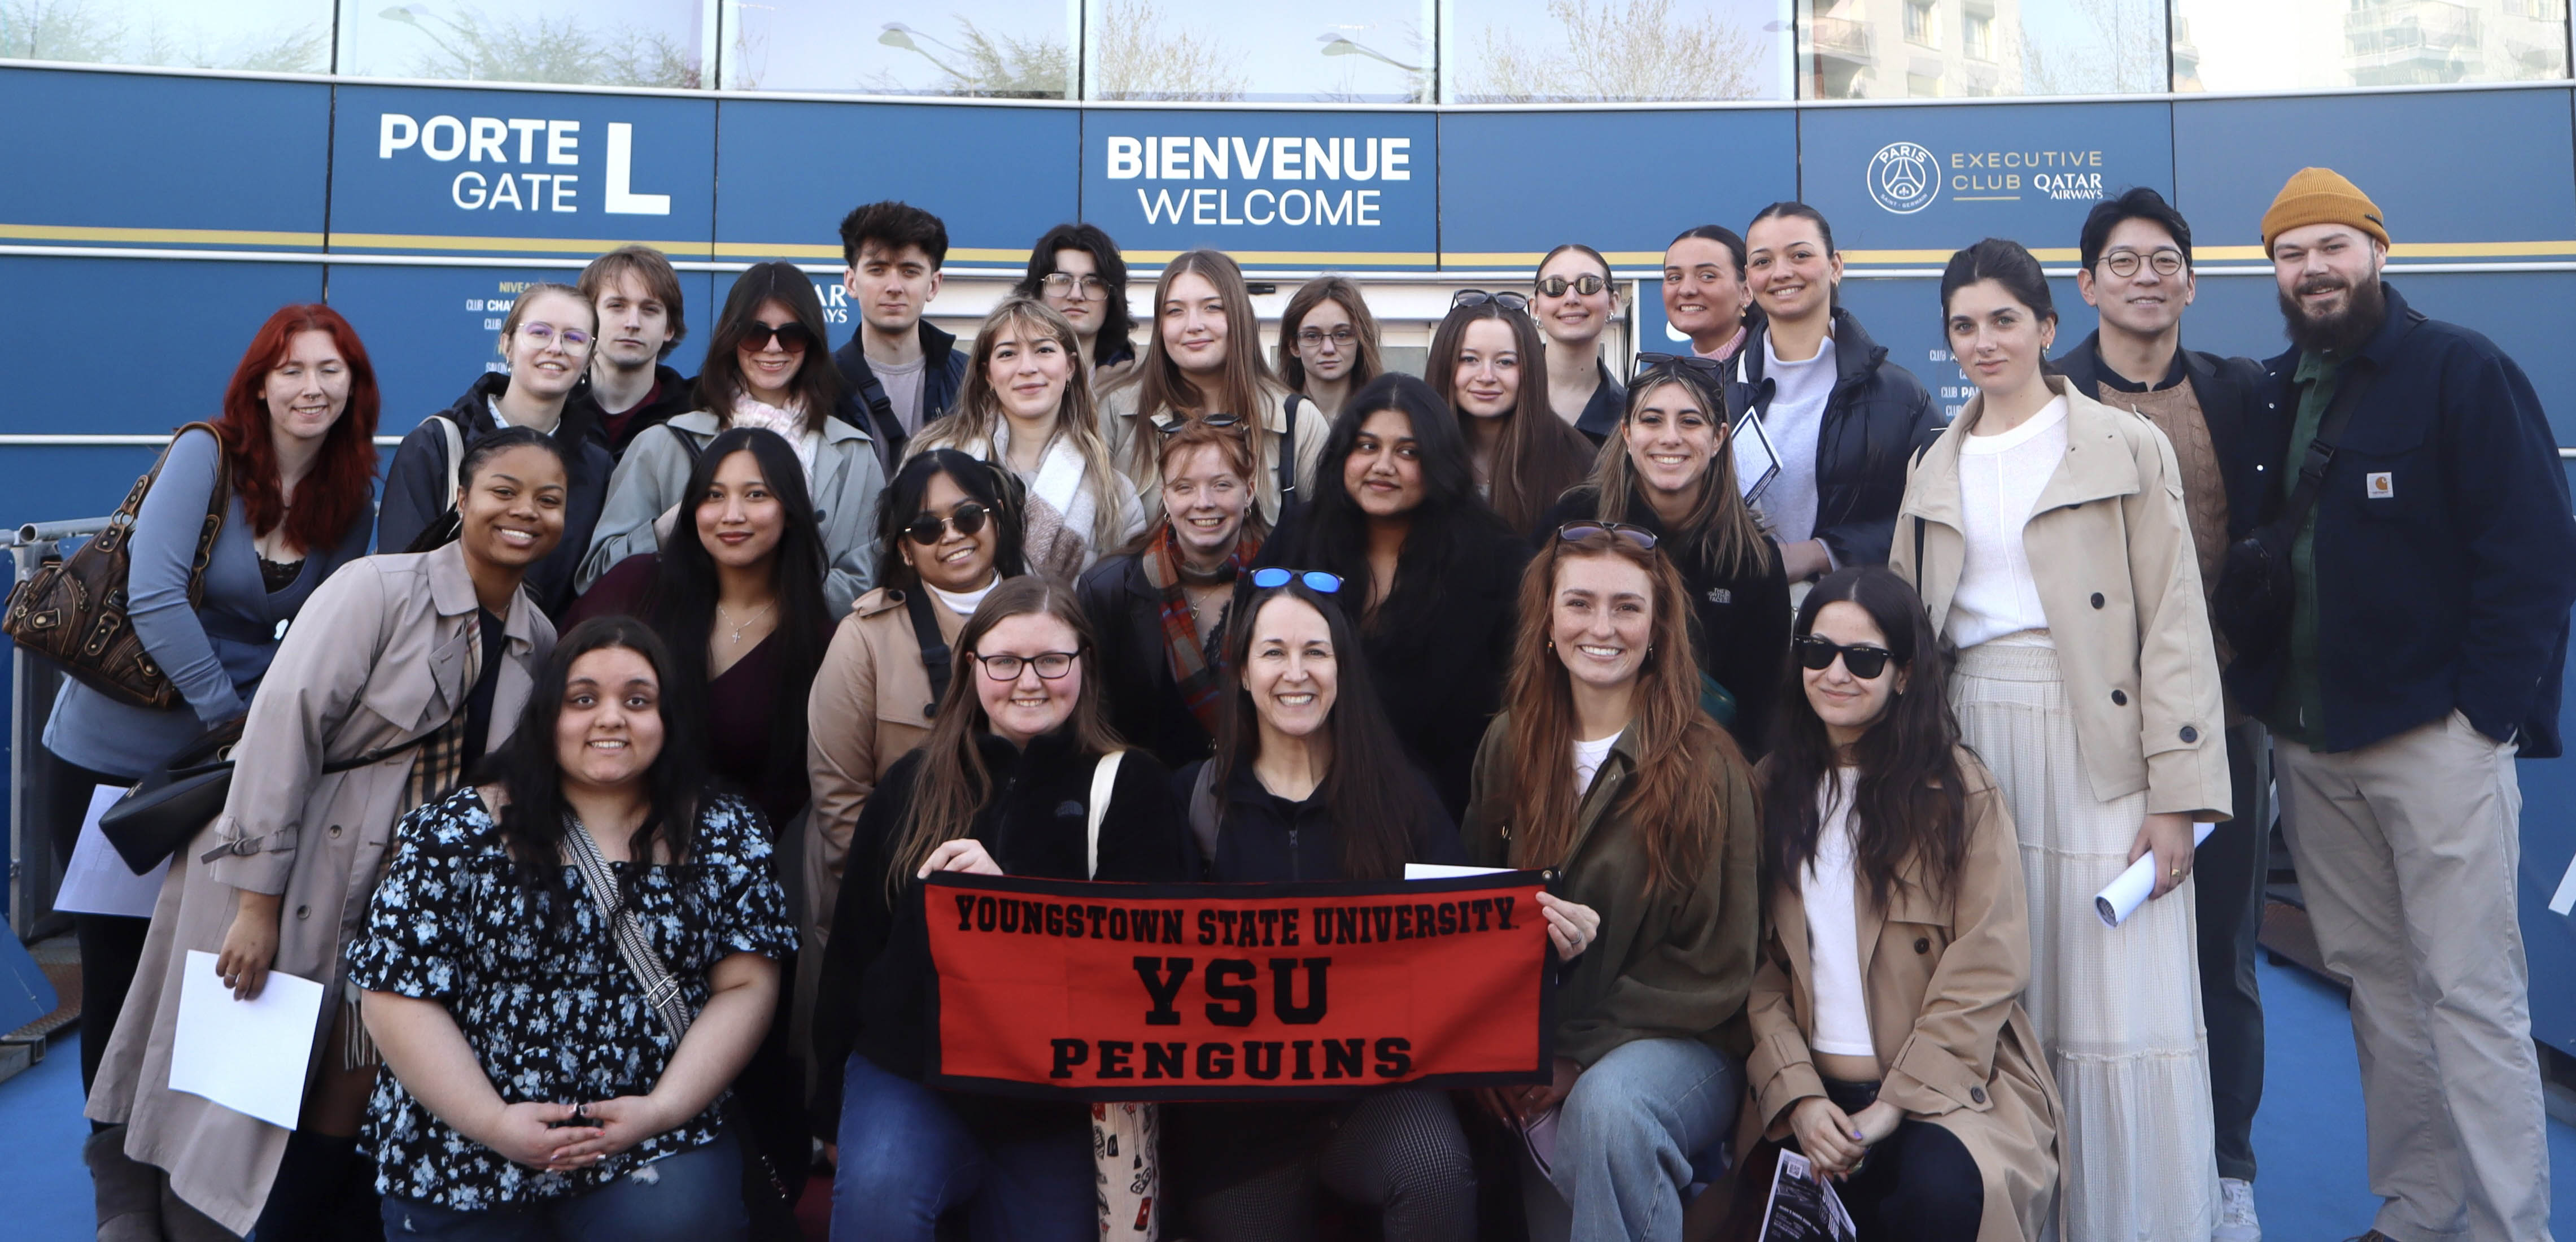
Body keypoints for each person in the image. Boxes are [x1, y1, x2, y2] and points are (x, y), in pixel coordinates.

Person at [88, 428, 568, 1239]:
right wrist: (257, 904)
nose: (524, 511)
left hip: (396, 910)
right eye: (504, 490)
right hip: (289, 871)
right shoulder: (375, 589)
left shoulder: (539, 638)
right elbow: (280, 729)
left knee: (343, 1085)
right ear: (462, 499)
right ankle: (145, 1208)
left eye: (548, 499)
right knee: (227, 1093)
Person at [2241, 168, 2576, 1242]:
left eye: (2332, 247)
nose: (2313, 269)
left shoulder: (2459, 370)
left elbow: (2531, 554)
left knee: (2470, 994)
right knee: (2378, 989)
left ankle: (2505, 1222)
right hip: (2310, 742)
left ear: (2377, 251)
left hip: (2433, 740)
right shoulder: (2272, 387)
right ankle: (2422, 1203)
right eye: (2292, 254)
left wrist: (2483, 716)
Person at [1890, 238, 2230, 1239]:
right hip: (1972, 745)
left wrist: (2177, 795)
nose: (1983, 340)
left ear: (2047, 326)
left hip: (2102, 744)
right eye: (1963, 324)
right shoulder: (1930, 463)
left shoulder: (2124, 445)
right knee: (2011, 992)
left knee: (2118, 1003)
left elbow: (2172, 619)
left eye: (2004, 319)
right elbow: (1916, 632)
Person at [46, 304, 381, 1241]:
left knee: (212, 967)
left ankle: (194, 1168)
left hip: (237, 771)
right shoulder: (207, 454)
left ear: (354, 387)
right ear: (259, 382)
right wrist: (241, 720)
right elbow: (153, 594)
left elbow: (334, 630)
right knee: (115, 969)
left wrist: (263, 741)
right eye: (294, 369)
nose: (313, 387)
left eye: (333, 370)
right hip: (118, 759)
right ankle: (119, 1180)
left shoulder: (354, 492)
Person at [353, 617, 796, 1240]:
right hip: (461, 1147)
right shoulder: (456, 831)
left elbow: (746, 986)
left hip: (653, 1143)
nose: (611, 718)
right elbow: (393, 996)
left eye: (637, 700)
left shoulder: (725, 832)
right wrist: (492, 1123)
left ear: (670, 717)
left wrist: (661, 1110)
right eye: (583, 699)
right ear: (545, 715)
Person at [813, 577, 1194, 1241]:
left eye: (1052, 661)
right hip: (913, 1073)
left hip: (1052, 1095)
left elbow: (1155, 960)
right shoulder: (910, 784)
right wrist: (828, 1114)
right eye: (1003, 661)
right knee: (877, 1201)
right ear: (971, 666)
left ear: (1084, 665)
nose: (1028, 681)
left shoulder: (1134, 784)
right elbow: (853, 950)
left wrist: (1010, 900)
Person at [2051, 185, 2273, 1242]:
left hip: (2219, 724)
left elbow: (2274, 543)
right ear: (2086, 282)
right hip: (2078, 734)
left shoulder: (2241, 396)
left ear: (2189, 279)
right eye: (2123, 261)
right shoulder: (2043, 403)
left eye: (2165, 260)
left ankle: (2226, 1171)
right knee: (2080, 951)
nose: (2146, 277)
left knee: (2218, 952)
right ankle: (2068, 1166)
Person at [1459, 522, 1757, 1242]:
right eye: (1579, 604)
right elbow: (1471, 923)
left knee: (1608, 1107)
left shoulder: (1707, 765)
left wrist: (1571, 1058)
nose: (1602, 627)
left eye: (1626, 607)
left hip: (1681, 1047)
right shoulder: (1507, 742)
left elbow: (1714, 969)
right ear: (1547, 622)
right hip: (1536, 1052)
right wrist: (1498, 1055)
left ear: (1656, 629)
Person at [1745, 566, 2060, 1241]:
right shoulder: (1766, 790)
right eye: (1817, 651)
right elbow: (1752, 969)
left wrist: (1894, 1104)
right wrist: (1796, 1094)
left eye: (1863, 658)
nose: (1835, 673)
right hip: (1809, 1093)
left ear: (1905, 674)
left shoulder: (1958, 791)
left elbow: (1989, 961)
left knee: (1940, 1200)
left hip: (1942, 1092)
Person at [1163, 575, 1481, 1240]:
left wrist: (1545, 938)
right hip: (1240, 1127)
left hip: (1377, 1098)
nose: (1295, 673)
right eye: (1273, 652)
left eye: (1316, 652)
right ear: (1244, 676)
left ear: (1342, 669)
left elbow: (1469, 941)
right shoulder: (1191, 803)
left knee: (1433, 1168)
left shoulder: (1404, 800)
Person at [802, 450, 1029, 1039]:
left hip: (1028, 908)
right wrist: (911, 902)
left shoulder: (1053, 618)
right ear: (904, 549)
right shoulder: (863, 639)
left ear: (997, 518)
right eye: (927, 528)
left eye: (968, 516)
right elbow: (839, 798)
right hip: (895, 912)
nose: (952, 536)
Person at [1259, 374, 1526, 817]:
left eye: (1408, 452)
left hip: (1449, 812)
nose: (1383, 465)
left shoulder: (1496, 558)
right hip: (1310, 805)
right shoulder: (1298, 538)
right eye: (1366, 446)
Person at [581, 261, 888, 617]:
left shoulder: (854, 454)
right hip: (683, 657)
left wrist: (766, 596)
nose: (773, 348)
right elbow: (599, 575)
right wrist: (672, 526)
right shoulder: (663, 444)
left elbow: (871, 582)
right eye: (755, 333)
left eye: (791, 334)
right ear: (731, 337)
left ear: (812, 343)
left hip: (811, 660)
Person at [570, 426, 835, 831]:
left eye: (756, 494)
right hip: (589, 840)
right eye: (714, 495)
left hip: (724, 863)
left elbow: (794, 789)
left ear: (791, 509)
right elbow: (553, 702)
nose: (732, 514)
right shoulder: (636, 586)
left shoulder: (817, 641)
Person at [1535, 357, 1787, 753]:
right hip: (1573, 750)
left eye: (1690, 421)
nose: (1670, 437)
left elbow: (1761, 713)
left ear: (1719, 437)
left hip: (1703, 773)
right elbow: (1531, 653)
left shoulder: (1754, 560)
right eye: (1652, 420)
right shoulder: (1571, 525)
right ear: (1627, 432)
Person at [379, 282, 613, 617]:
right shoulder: (436, 444)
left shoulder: (597, 466)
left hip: (543, 659)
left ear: (590, 358)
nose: (555, 348)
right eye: (539, 332)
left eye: (574, 338)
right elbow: (398, 577)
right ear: (507, 343)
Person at [1732, 203, 1939, 581]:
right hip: (1740, 624)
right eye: (1763, 262)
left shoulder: (1899, 396)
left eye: (1800, 255)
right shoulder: (1716, 393)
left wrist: (1822, 553)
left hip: (1854, 619)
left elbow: (1935, 517)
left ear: (1835, 266)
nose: (1781, 272)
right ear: (1748, 281)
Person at [1077, 420, 1268, 770]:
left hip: (1260, 798)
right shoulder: (1109, 589)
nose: (1204, 503)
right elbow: (1094, 724)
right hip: (1153, 801)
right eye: (1184, 488)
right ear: (1165, 496)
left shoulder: (1284, 579)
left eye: (1222, 485)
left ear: (1250, 490)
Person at [910, 298, 1145, 579]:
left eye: (1044, 350)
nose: (1027, 368)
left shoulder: (1115, 493)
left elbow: (1127, 598)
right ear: (987, 373)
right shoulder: (932, 457)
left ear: (1070, 367)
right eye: (1008, 354)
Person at [1099, 249, 1330, 526]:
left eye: (1212, 307)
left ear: (1239, 317)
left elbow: (1327, 540)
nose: (1193, 325)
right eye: (1175, 311)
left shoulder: (1297, 420)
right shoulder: (1116, 412)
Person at [1426, 290, 1595, 533]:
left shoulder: (1576, 463)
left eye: (1505, 362)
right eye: (1469, 359)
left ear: (1530, 370)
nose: (1487, 377)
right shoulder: (1415, 454)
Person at [832, 200, 967, 467]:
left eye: (909, 271)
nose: (894, 286)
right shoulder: (821, 384)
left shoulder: (970, 380)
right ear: (851, 282)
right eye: (878, 270)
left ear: (934, 284)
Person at [575, 243, 697, 459]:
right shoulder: (554, 406)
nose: (633, 323)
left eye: (649, 310)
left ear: (669, 328)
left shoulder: (696, 415)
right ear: (587, 319)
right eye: (617, 306)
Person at [1014, 222, 1137, 388]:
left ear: (1112, 298)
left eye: (1092, 283)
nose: (1076, 295)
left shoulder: (1144, 383)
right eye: (1061, 280)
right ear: (1036, 292)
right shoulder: (1005, 373)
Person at [1534, 244, 1627, 442]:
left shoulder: (1632, 415)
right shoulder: (1504, 398)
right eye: (1554, 287)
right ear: (1535, 308)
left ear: (1612, 303)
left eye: (1588, 285)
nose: (1571, 299)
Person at [1276, 275, 1383, 420]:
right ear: (1294, 346)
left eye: (1342, 334)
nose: (1328, 349)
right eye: (1313, 336)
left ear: (1361, 340)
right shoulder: (1274, 417)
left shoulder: (1383, 416)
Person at [1662, 225, 1754, 364]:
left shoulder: (1769, 371)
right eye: (1675, 278)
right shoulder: (1677, 379)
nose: (1687, 290)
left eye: (1707, 276)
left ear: (1746, 291)